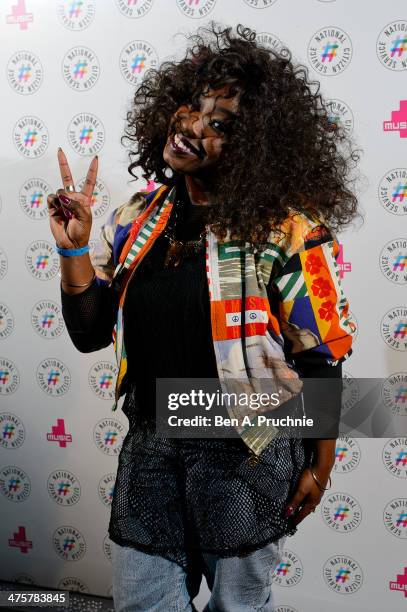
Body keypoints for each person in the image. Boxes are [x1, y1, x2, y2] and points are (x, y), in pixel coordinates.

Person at [47, 23, 358, 612]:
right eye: (193, 107)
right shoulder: (136, 218)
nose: (192, 127)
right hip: (152, 445)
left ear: (254, 149)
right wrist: (72, 251)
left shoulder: (290, 232)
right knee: (142, 600)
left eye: (220, 124)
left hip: (246, 450)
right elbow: (90, 333)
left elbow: (322, 358)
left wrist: (320, 468)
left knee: (240, 605)